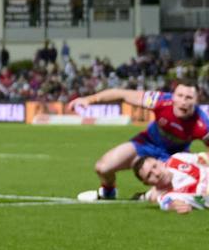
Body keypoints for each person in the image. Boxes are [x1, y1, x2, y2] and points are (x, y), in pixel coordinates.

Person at [69, 82, 208, 201]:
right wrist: (89, 99)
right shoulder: (160, 101)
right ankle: (108, 191)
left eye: (189, 97)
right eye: (180, 96)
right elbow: (122, 94)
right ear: (173, 96)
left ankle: (144, 196)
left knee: (165, 194)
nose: (183, 101)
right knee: (102, 168)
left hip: (172, 157)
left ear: (196, 101)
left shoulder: (203, 125)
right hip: (145, 144)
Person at [132, 151, 207, 213]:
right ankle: (146, 195)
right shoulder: (167, 197)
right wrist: (178, 206)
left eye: (155, 166)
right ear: (147, 183)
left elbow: (204, 158)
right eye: (149, 175)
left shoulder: (177, 159)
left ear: (161, 162)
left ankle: (146, 195)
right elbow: (170, 204)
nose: (157, 173)